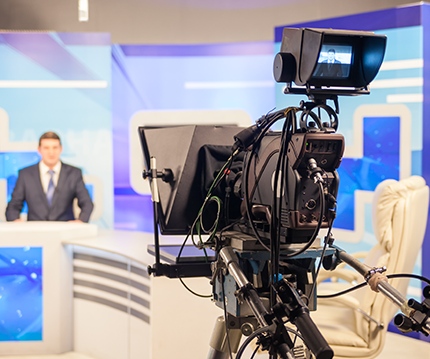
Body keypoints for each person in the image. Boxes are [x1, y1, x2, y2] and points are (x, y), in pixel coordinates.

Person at [5, 131, 94, 222]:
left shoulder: (74, 173)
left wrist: (81, 221)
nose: (51, 152)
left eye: (55, 148)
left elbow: (87, 203)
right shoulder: (25, 174)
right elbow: (13, 206)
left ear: (61, 149)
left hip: (65, 232)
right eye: (46, 148)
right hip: (35, 232)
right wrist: (15, 221)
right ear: (39, 150)